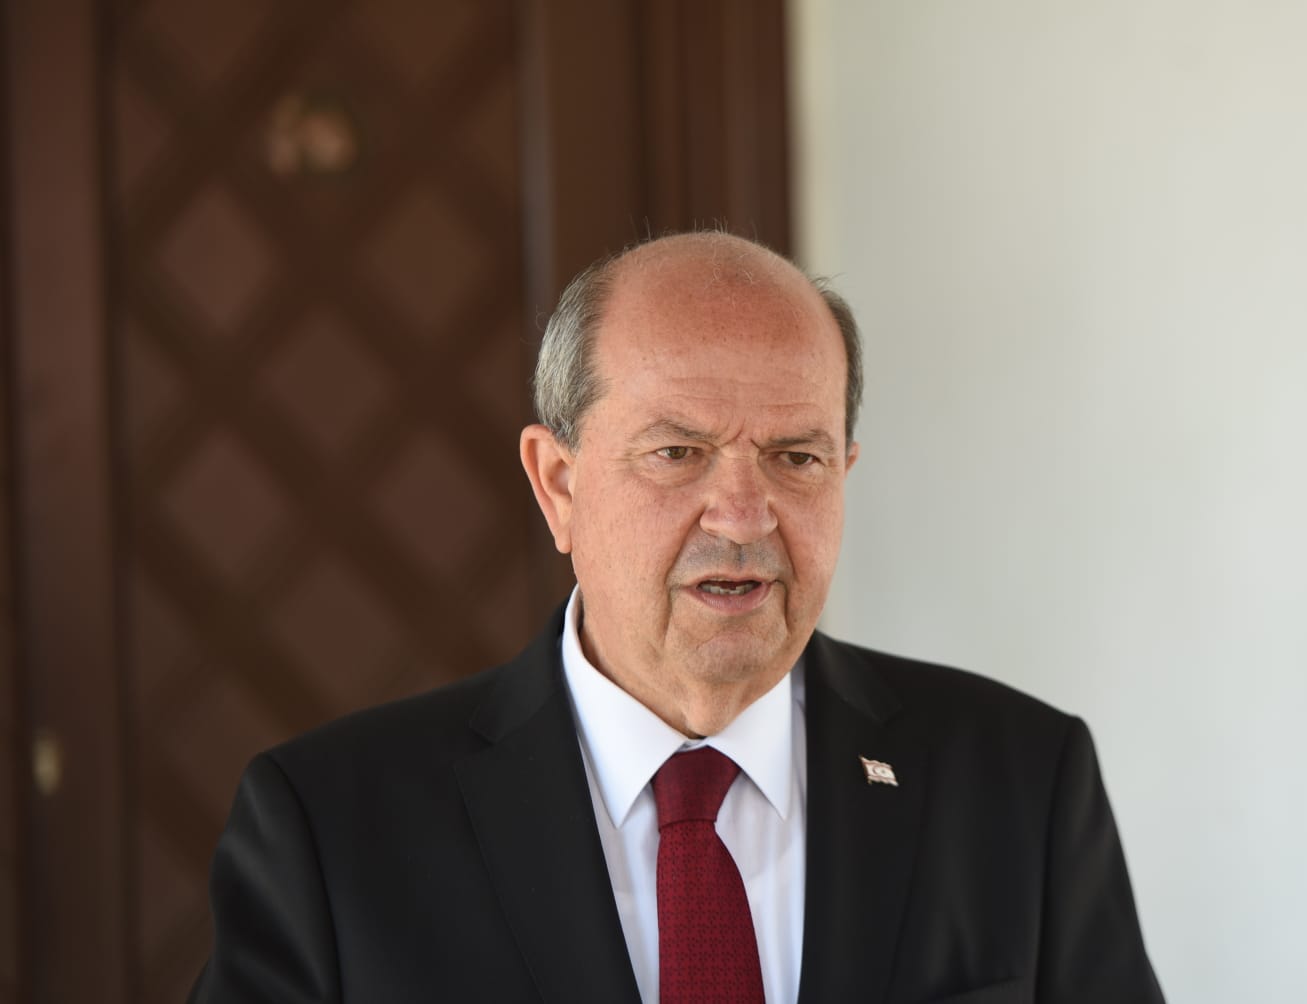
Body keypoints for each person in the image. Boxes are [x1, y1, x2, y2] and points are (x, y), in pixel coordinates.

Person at [190, 232, 1165, 1003]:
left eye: (795, 457)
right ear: (558, 484)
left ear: (844, 473)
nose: (742, 516)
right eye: (677, 453)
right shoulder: (331, 829)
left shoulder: (1021, 782)